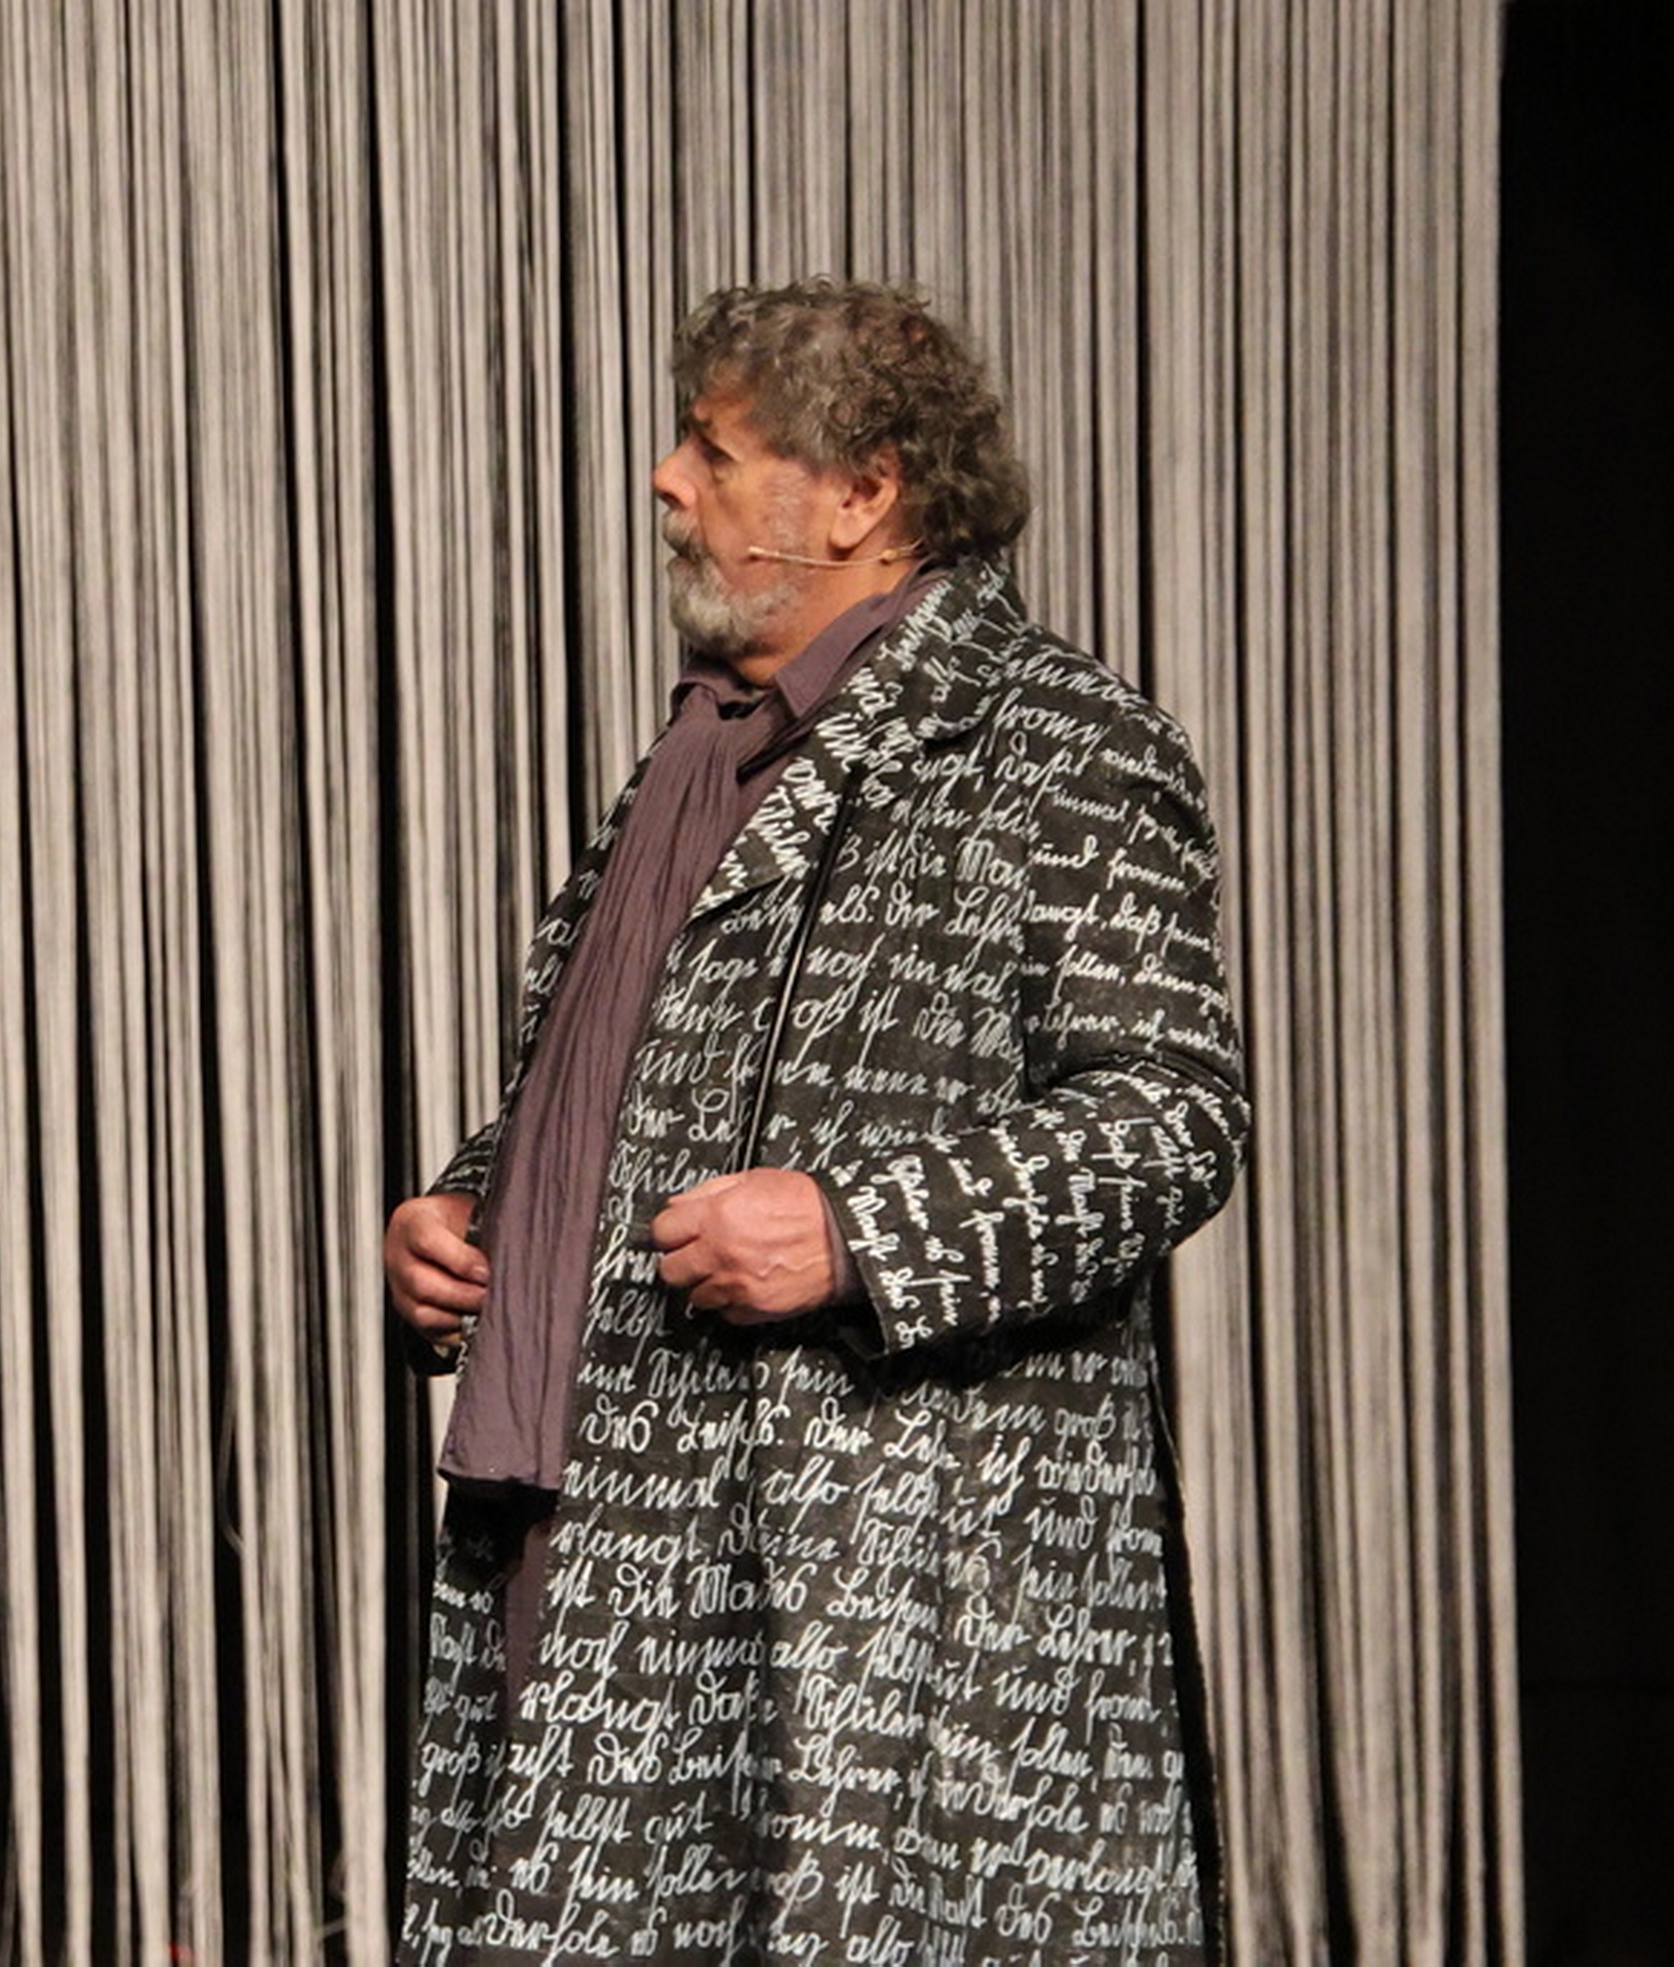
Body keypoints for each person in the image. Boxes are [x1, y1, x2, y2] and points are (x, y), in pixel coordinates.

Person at [388, 280, 1249, 1961]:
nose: (664, 480)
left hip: (871, 1573)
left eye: (711, 451)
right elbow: (615, 1082)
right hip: (598, 1533)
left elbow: (1168, 1114)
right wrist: (470, 1210)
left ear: (861, 494)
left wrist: (861, 1233)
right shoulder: (699, 753)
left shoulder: (1054, 743)